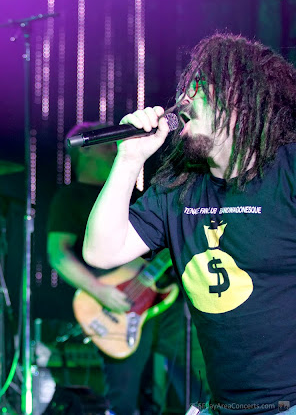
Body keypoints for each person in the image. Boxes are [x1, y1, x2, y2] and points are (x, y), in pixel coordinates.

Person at [83, 33, 296, 414]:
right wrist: (129, 158)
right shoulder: (179, 187)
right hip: (226, 405)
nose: (182, 99)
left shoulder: (289, 172)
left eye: (198, 87)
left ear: (239, 100)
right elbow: (101, 251)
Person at [46, 136, 207, 414]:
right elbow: (58, 254)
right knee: (123, 398)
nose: (115, 145)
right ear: (85, 152)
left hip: (163, 303)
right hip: (119, 306)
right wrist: (99, 290)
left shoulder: (139, 196)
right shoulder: (71, 197)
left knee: (202, 382)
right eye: (105, 141)